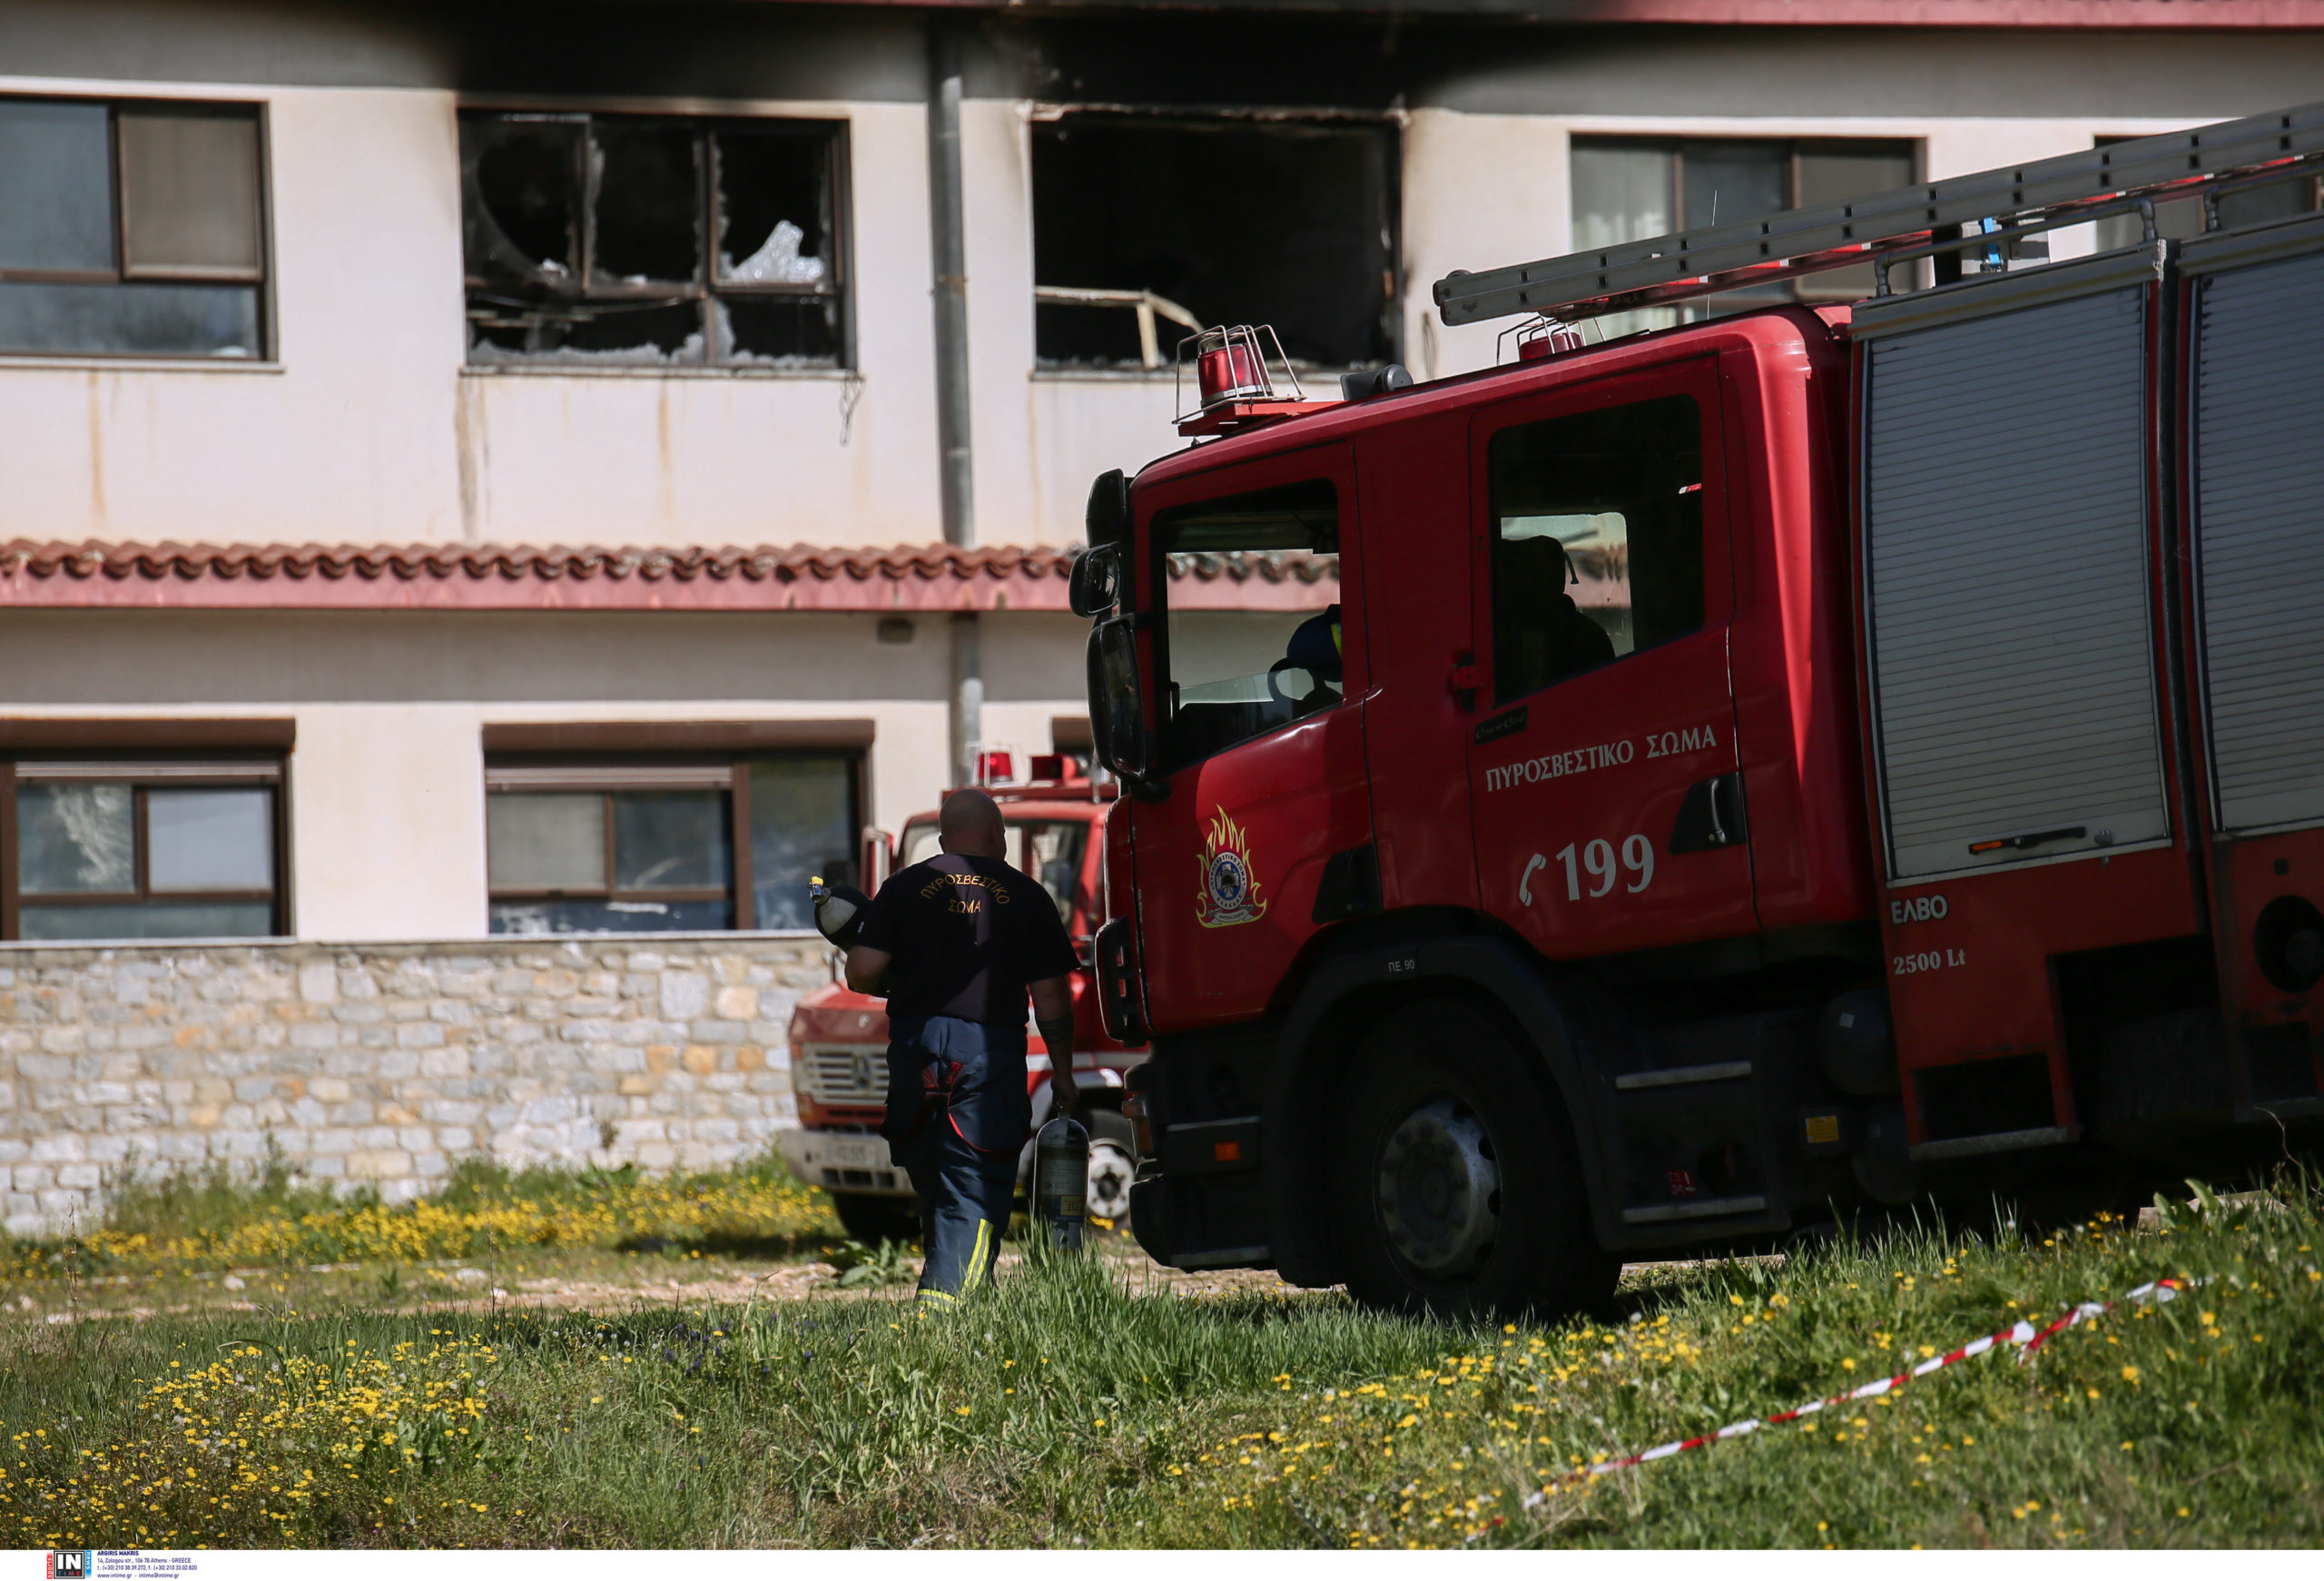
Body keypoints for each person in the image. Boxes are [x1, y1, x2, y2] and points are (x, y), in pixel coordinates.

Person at [843, 787, 1081, 1304]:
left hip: (915, 1046)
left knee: (935, 1173)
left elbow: (861, 972)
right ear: (997, 835)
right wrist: (1062, 1072)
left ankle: (968, 1296)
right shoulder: (1026, 895)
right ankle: (945, 1305)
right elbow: (1051, 996)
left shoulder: (904, 886)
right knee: (975, 1180)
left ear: (943, 837)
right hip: (985, 1050)